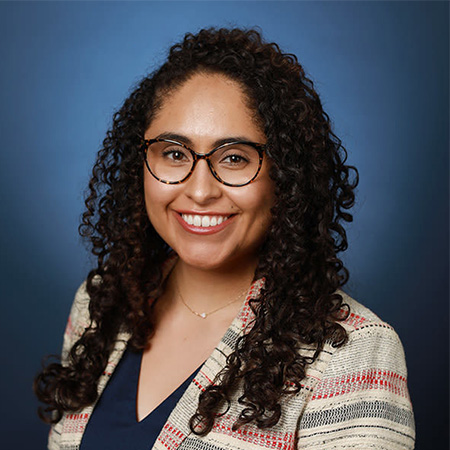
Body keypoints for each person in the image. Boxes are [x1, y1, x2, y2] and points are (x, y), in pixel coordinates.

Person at [34, 27, 415, 450]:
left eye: (234, 158)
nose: (200, 191)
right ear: (139, 163)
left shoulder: (354, 354)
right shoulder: (100, 304)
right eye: (174, 153)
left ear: (285, 176)